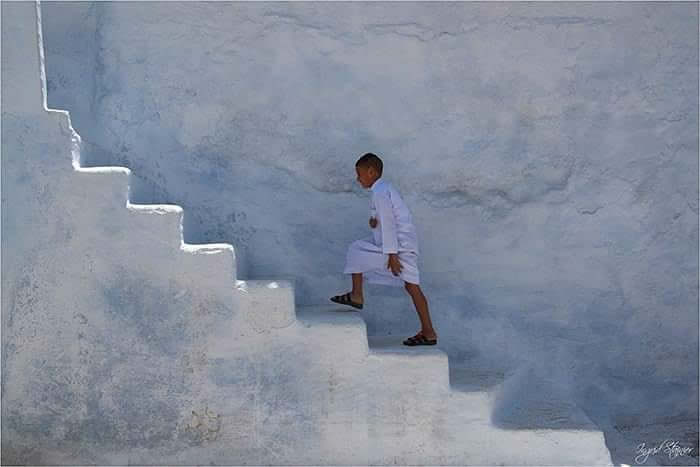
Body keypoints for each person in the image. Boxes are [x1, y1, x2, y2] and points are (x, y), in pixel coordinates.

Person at [330, 153, 438, 346]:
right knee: (410, 286)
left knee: (357, 250)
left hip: (399, 247)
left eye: (359, 174)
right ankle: (428, 331)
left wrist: (392, 255)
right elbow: (385, 219)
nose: (358, 178)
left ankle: (357, 295)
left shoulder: (380, 192)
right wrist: (374, 222)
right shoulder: (382, 190)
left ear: (371, 172)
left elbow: (388, 224)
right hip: (400, 245)